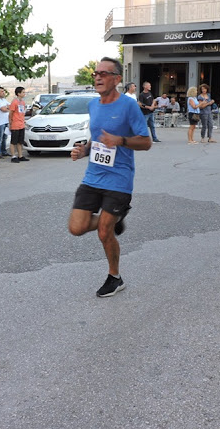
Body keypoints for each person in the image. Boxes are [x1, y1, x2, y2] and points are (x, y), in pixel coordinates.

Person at [68, 57, 151, 297]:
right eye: (96, 73)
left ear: (116, 79)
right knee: (76, 227)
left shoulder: (128, 106)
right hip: (93, 176)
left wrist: (121, 140)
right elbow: (97, 140)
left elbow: (145, 142)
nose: (98, 77)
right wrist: (83, 151)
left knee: (104, 232)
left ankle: (115, 277)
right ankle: (115, 217)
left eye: (104, 73)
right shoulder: (93, 106)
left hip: (119, 179)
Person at [8, 86, 28, 163]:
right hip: (15, 124)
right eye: (23, 92)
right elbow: (11, 113)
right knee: (14, 141)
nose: (24, 93)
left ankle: (20, 155)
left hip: (21, 124)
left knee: (20, 141)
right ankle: (13, 156)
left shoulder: (22, 102)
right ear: (18, 93)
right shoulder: (14, 102)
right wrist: (10, 123)